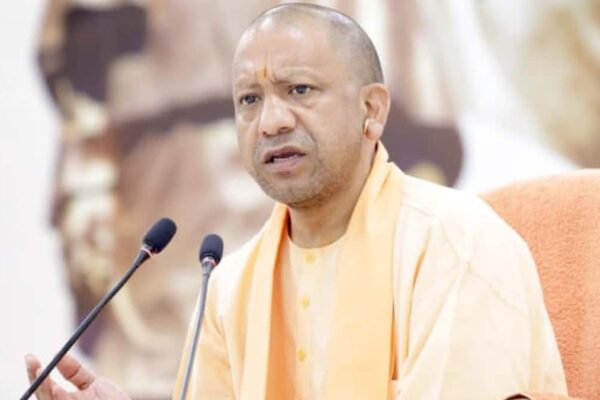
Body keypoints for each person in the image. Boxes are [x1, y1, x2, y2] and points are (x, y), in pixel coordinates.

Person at [26, 3, 567, 399]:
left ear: (373, 111)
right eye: (249, 99)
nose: (271, 121)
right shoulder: (228, 289)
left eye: (299, 90)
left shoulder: (451, 245)